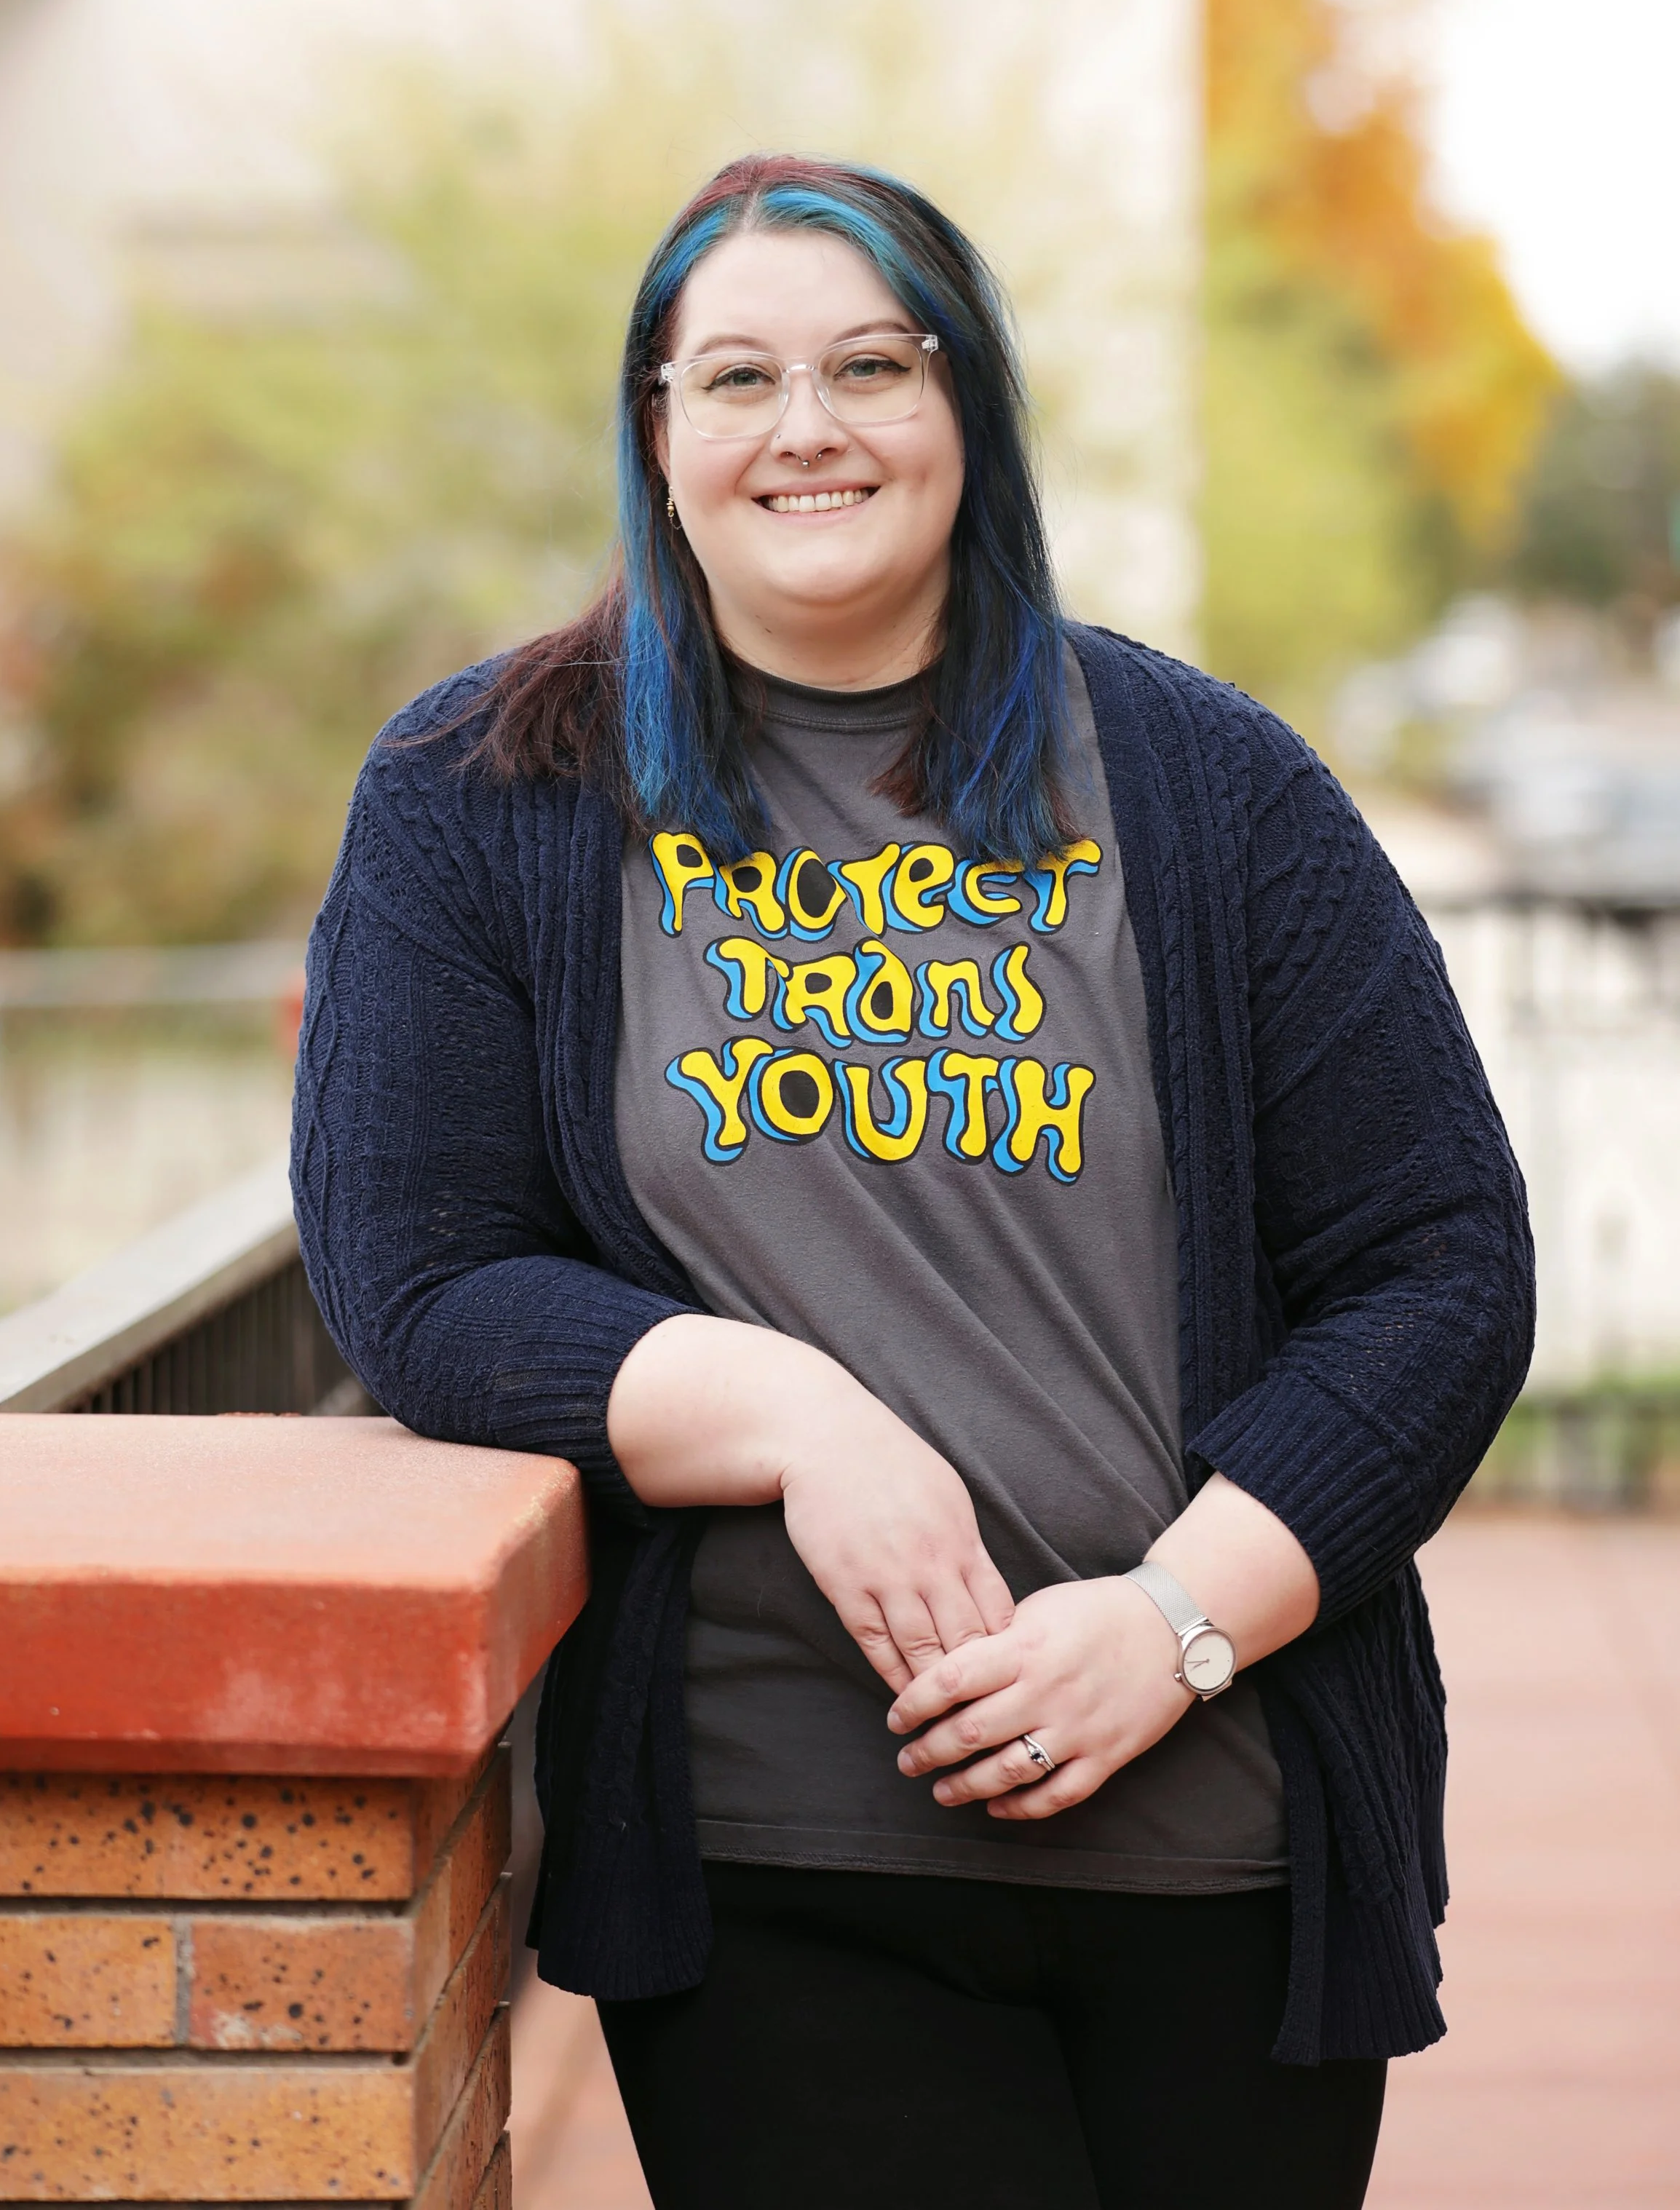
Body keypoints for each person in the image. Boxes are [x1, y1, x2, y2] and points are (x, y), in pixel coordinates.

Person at [292, 155, 1533, 2210]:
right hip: (783, 1844)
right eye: (737, 377)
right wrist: (796, 1414)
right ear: (657, 434)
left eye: (873, 365)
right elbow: (418, 1274)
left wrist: (1173, 1624)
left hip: (1218, 1830)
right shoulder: (486, 790)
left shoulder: (1209, 783)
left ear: (968, 407)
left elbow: (1439, 1267)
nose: (809, 427)